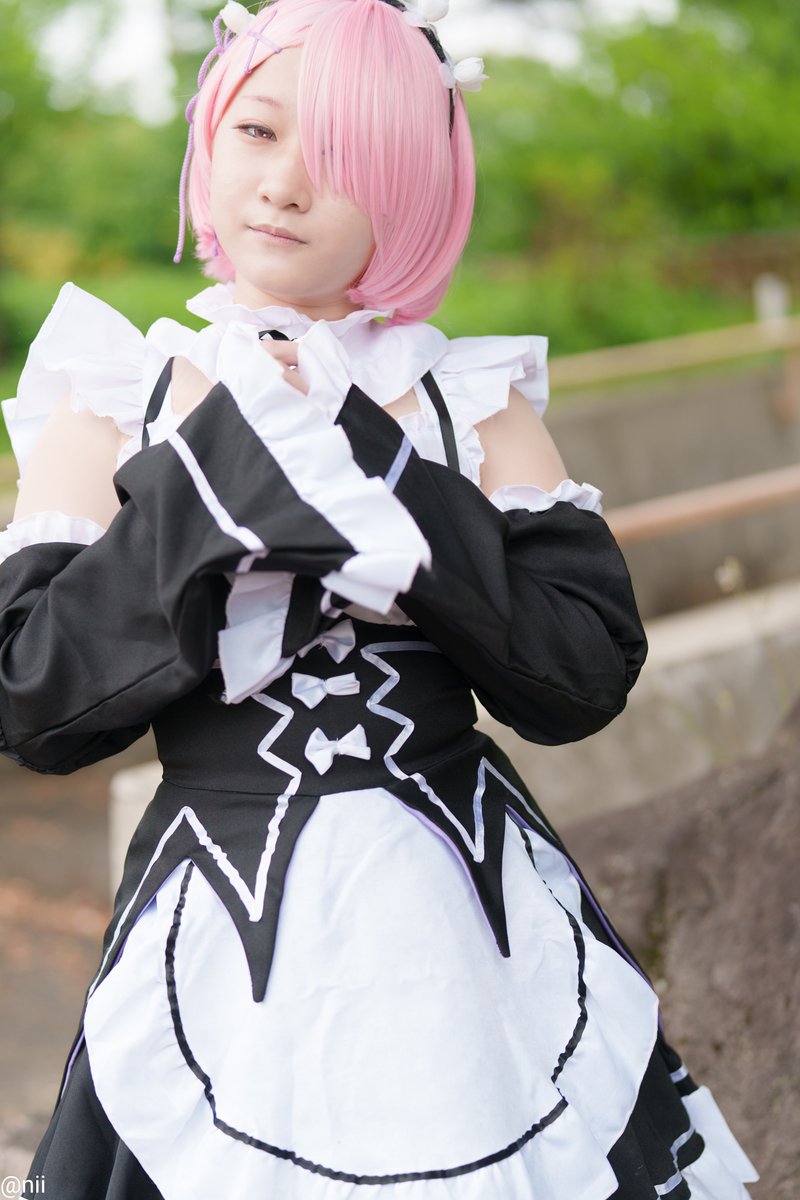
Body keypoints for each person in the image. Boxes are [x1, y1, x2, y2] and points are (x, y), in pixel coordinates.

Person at [0, 1, 758, 1196]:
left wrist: (378, 476)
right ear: (209, 138)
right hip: (223, 917)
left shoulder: (469, 401)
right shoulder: (115, 394)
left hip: (470, 931)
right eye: (256, 130)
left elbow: (579, 673)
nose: (282, 183)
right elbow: (31, 698)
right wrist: (219, 479)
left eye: (343, 158)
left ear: (409, 187)